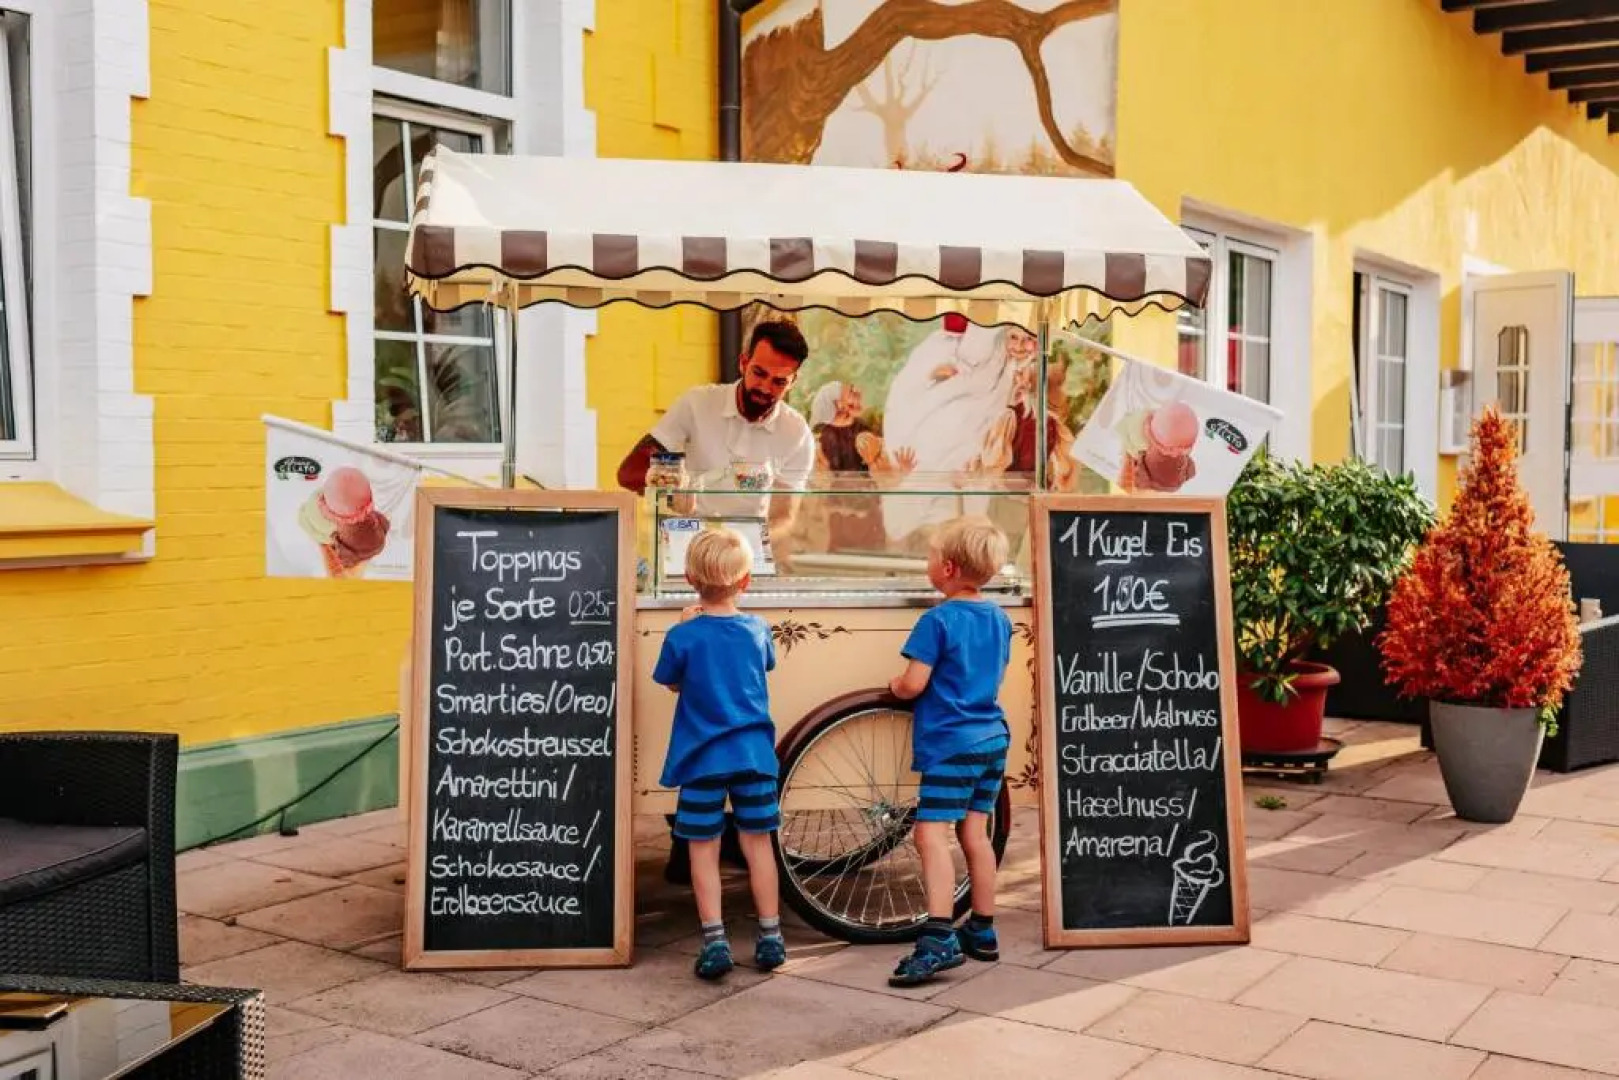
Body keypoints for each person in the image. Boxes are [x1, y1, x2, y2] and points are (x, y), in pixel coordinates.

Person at [652, 527, 786, 980]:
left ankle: (715, 941)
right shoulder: (757, 629)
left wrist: (686, 625)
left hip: (702, 758)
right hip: (753, 755)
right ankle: (770, 936)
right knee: (758, 843)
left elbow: (672, 681)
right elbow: (765, 665)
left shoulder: (683, 636)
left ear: (690, 579)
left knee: (702, 849)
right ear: (746, 581)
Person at [885, 516, 1014, 987]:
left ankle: (939, 936)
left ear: (948, 568)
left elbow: (913, 683)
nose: (928, 564)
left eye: (930, 557)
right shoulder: (1000, 619)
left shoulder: (937, 620)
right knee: (975, 834)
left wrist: (897, 686)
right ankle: (982, 929)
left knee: (929, 835)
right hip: (992, 739)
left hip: (952, 743)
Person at [617, 319, 816, 525]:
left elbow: (783, 517)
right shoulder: (697, 402)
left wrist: (747, 547)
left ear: (793, 382)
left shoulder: (797, 434)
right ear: (743, 363)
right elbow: (629, 471)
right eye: (759, 373)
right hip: (690, 539)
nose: (765, 388)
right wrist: (670, 490)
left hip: (749, 549)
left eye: (779, 381)